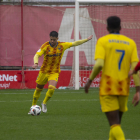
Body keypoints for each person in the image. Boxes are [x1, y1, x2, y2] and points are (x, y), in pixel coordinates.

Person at [84, 16, 140, 140]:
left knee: (114, 124)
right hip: (123, 87)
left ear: (107, 27)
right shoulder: (130, 43)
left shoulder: (103, 41)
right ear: (120, 27)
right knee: (116, 124)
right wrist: (138, 90)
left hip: (108, 87)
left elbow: (99, 64)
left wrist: (89, 81)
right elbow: (136, 67)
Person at [28, 31, 93, 114]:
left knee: (52, 88)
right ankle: (32, 107)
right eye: (51, 39)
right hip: (44, 71)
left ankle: (44, 103)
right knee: (38, 89)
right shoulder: (45, 46)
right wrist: (36, 63)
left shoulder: (62, 45)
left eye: (54, 40)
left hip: (54, 72)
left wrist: (86, 39)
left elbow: (74, 43)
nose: (52, 41)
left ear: (57, 39)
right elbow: (37, 55)